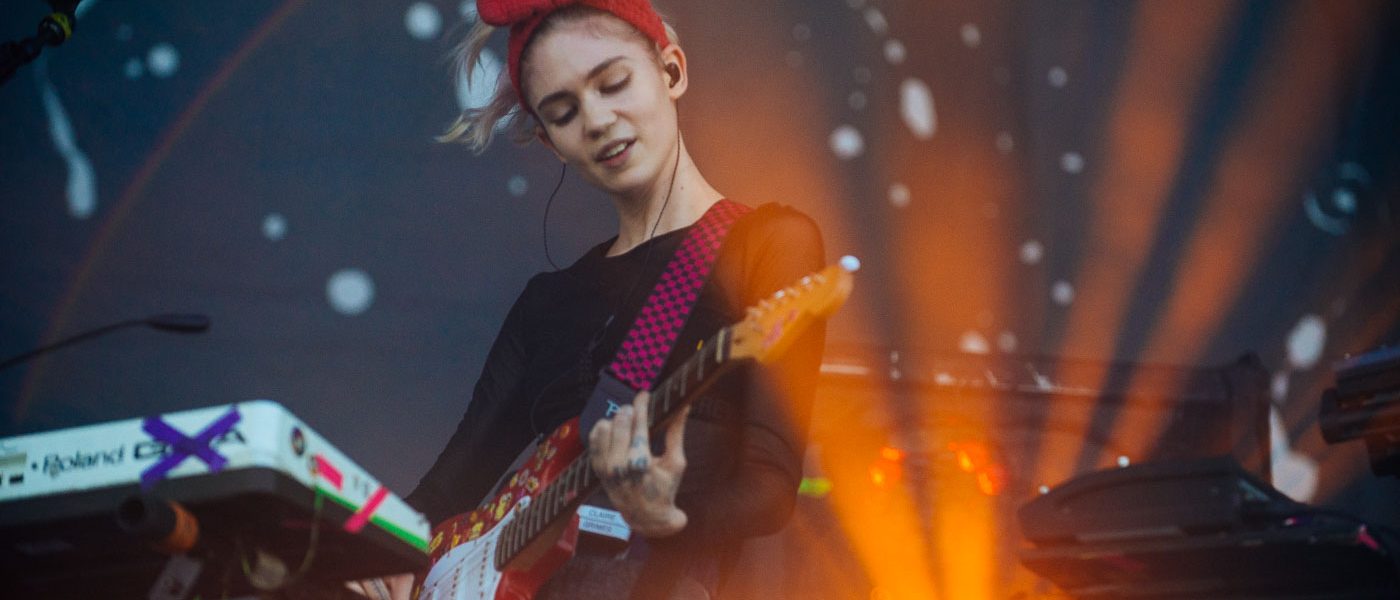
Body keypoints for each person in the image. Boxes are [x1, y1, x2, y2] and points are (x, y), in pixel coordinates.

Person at [381, 1, 826, 598]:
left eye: (614, 83)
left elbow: (771, 484)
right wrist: (370, 557)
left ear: (672, 71)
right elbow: (446, 490)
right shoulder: (547, 302)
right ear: (550, 142)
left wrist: (669, 516)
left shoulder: (767, 245)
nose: (596, 120)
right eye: (563, 113)